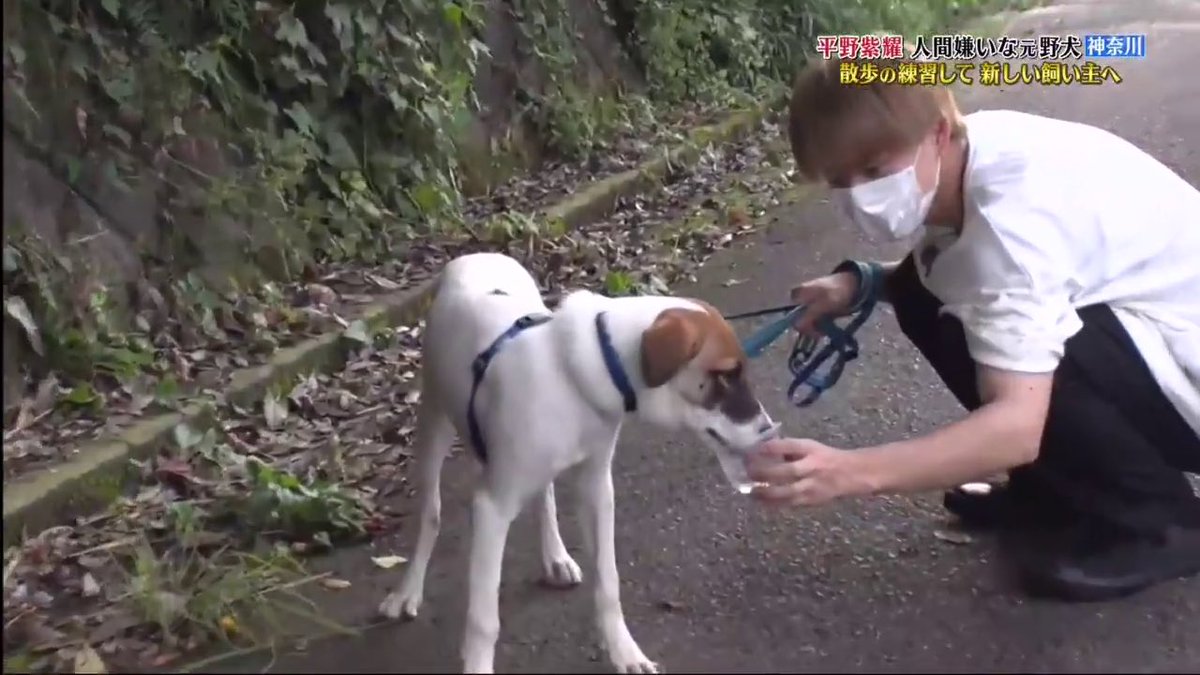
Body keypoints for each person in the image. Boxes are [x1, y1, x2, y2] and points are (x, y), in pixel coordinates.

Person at [745, 55, 1200, 603]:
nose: (860, 194)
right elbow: (964, 277)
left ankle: (1160, 523)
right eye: (839, 180)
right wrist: (862, 284)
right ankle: (1062, 492)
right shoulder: (972, 150)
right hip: (1160, 331)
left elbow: (1016, 425)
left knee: (1028, 345)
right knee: (922, 290)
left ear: (937, 131)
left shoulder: (1012, 228)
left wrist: (849, 471)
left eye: (873, 169)